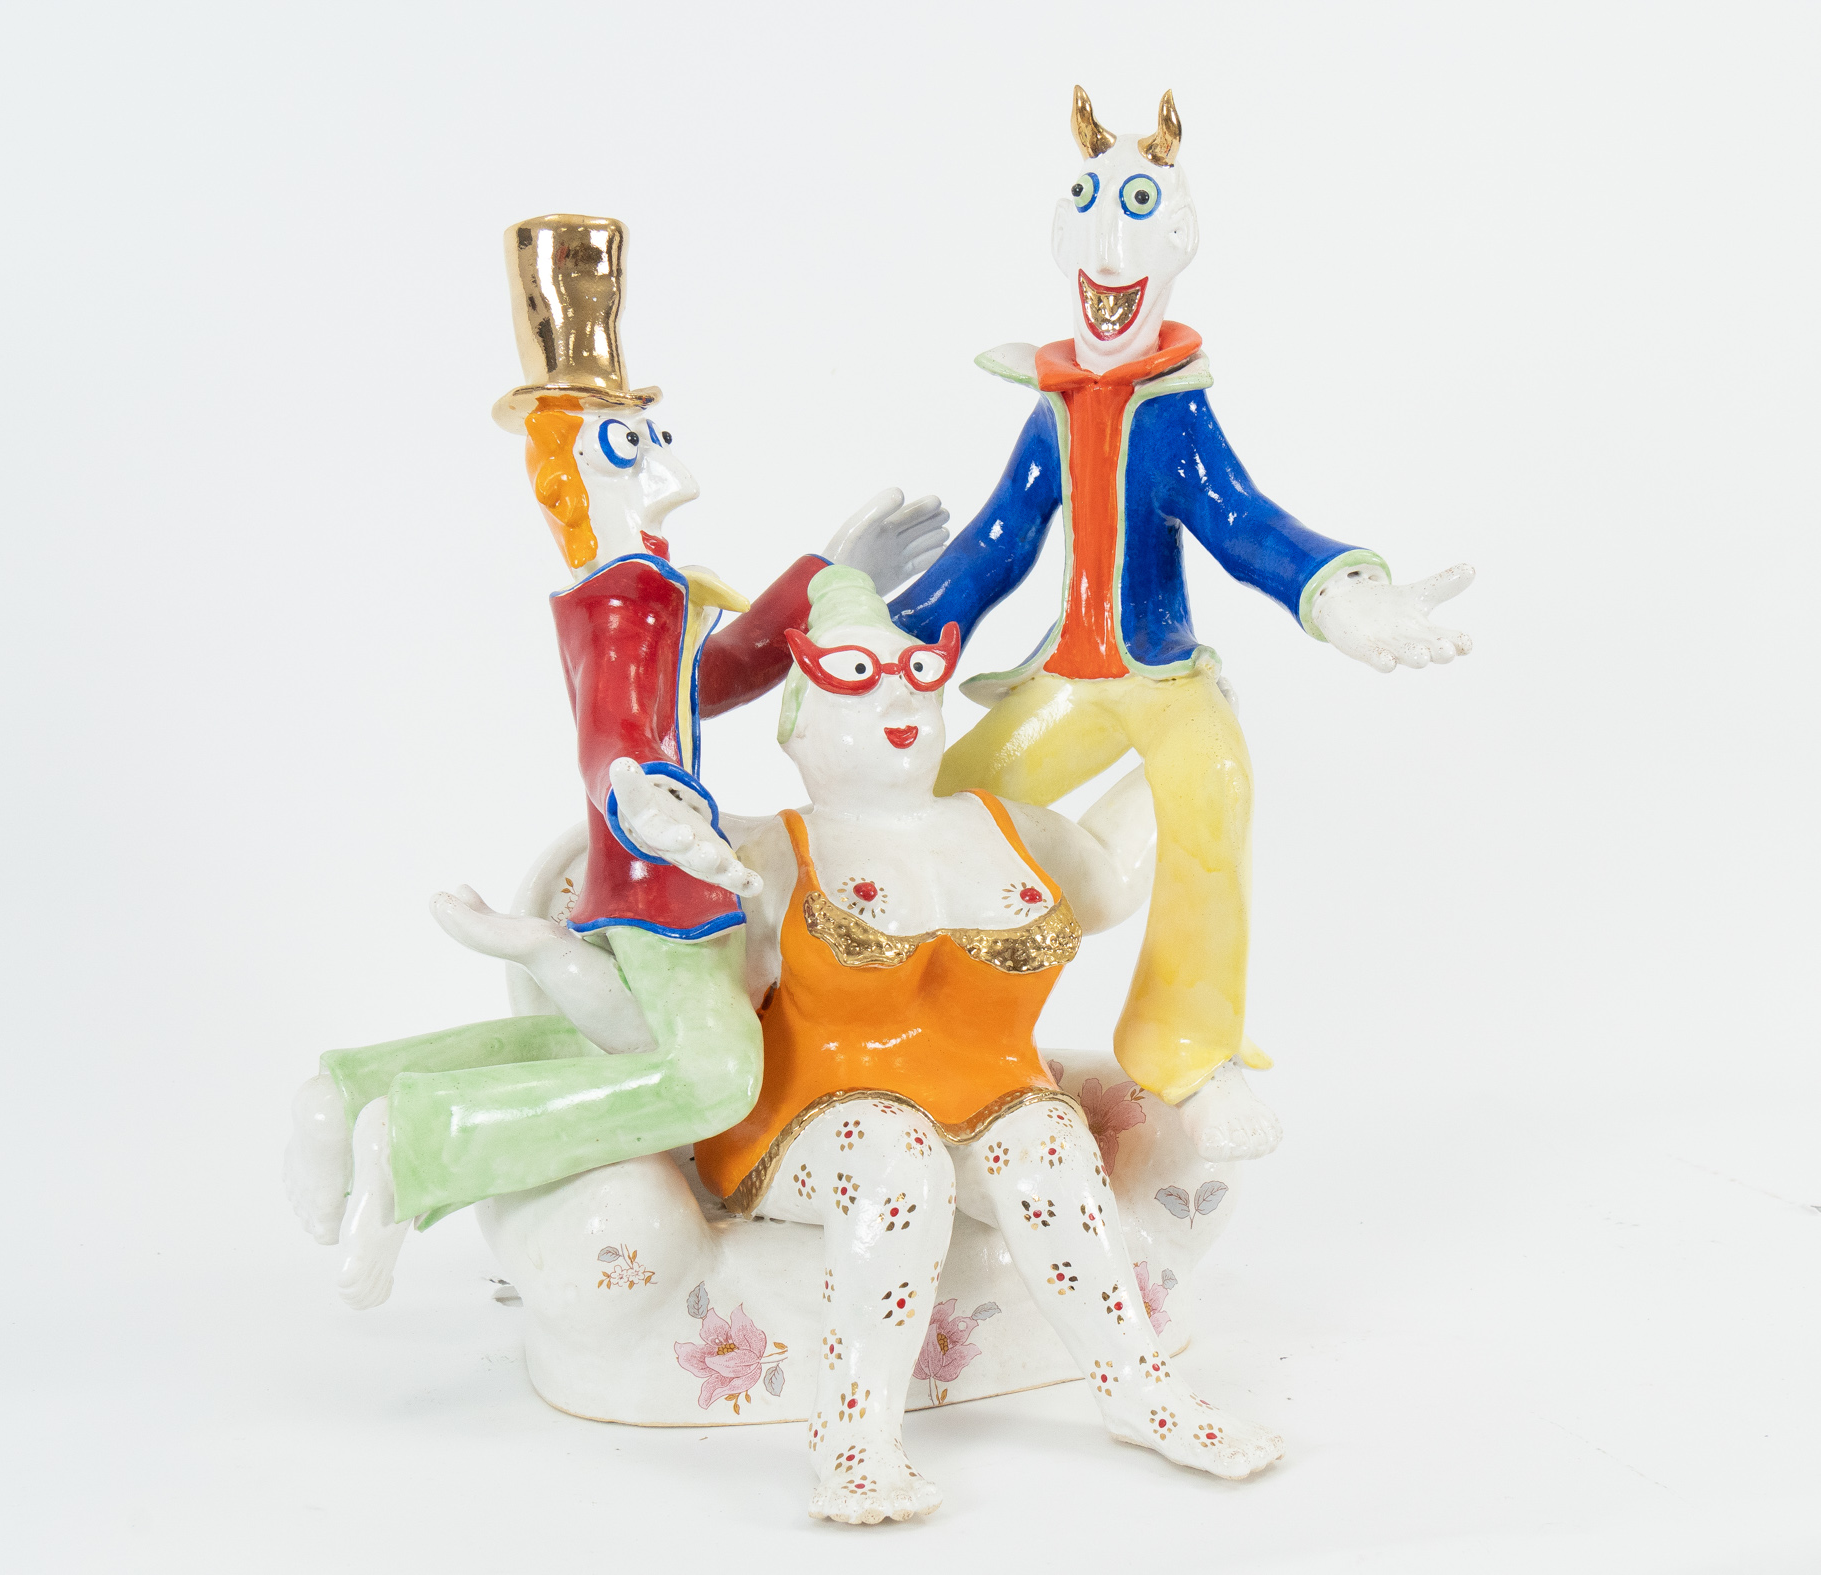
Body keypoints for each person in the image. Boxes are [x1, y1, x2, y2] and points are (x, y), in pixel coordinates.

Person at [437, 566, 1283, 1522]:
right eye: (854, 678)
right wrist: (543, 951)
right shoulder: (761, 852)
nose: (897, 702)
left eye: (918, 675)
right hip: (807, 1117)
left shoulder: (1008, 828)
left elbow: (1117, 878)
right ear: (796, 725)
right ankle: (855, 1433)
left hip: (995, 1095)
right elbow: (657, 1022)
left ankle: (1140, 1389)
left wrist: (1192, 737)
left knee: (1049, 1141)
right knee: (894, 1151)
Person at [282, 215, 948, 1308]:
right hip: (663, 885)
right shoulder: (629, 596)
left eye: (648, 428)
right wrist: (651, 806)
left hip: (648, 868)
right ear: (577, 471)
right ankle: (416, 1143)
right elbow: (615, 741)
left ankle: (355, 1092)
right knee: (713, 1076)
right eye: (628, 438)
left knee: (602, 1043)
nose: (660, 448)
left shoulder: (638, 587)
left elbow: (710, 681)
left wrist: (827, 574)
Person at [884, 89, 1475, 1127]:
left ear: (1178, 241)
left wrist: (1340, 592)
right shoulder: (1052, 412)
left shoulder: (1177, 416)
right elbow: (996, 542)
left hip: (1162, 680)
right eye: (1089, 212)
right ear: (1061, 238)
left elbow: (1242, 522)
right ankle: (896, 1024)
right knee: (934, 809)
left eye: (1137, 213)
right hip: (1067, 683)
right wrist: (880, 634)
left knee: (1214, 785)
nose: (1109, 252)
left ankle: (1185, 1045)